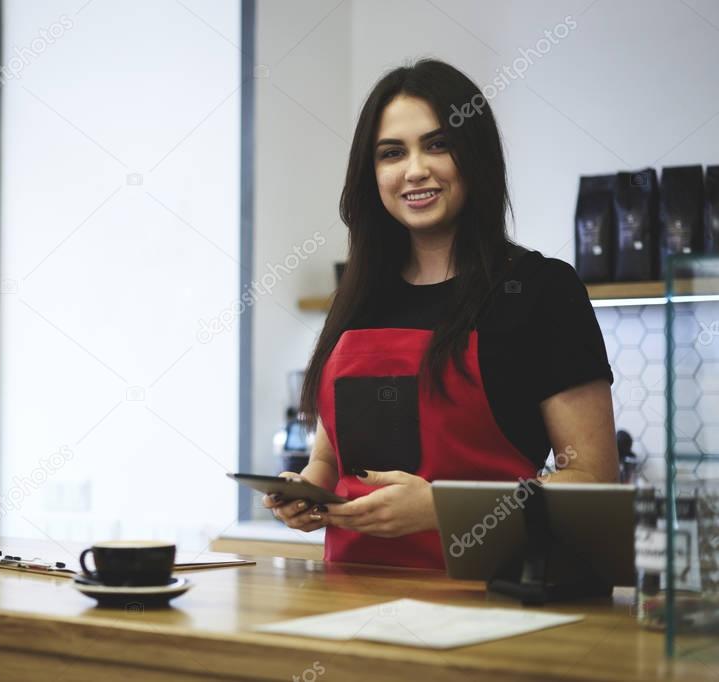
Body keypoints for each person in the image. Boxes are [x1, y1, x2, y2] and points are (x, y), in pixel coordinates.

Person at [264, 59, 618, 569]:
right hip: (350, 601)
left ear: (474, 156)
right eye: (391, 153)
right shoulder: (359, 296)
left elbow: (593, 483)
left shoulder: (542, 290)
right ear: (372, 173)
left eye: (437, 144)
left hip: (494, 607)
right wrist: (304, 493)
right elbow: (328, 460)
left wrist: (441, 508)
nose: (414, 170)